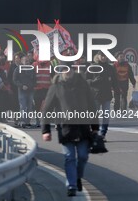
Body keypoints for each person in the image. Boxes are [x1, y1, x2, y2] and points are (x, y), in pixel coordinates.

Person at [42, 63, 99, 197]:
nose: (67, 72)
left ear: (73, 70)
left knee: (83, 156)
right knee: (69, 157)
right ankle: (71, 185)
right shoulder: (56, 87)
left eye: (69, 69)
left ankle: (77, 177)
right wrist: (46, 130)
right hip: (66, 128)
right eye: (63, 70)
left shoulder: (83, 84)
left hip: (83, 127)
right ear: (60, 72)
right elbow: (47, 110)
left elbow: (92, 106)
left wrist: (95, 127)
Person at [86, 51, 118, 141]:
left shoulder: (110, 68)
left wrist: (117, 95)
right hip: (95, 95)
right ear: (98, 56)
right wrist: (93, 81)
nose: (103, 57)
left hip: (107, 96)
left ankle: (103, 134)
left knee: (106, 116)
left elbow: (115, 82)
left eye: (105, 56)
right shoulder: (92, 66)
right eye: (102, 56)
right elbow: (85, 80)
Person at [13, 55, 36, 127]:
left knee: (29, 107)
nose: (26, 62)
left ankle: (28, 121)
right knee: (23, 106)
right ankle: (23, 121)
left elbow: (35, 80)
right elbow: (15, 80)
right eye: (25, 60)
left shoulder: (32, 69)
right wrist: (21, 86)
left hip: (30, 90)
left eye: (27, 61)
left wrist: (31, 85)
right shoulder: (17, 69)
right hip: (22, 91)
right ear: (22, 61)